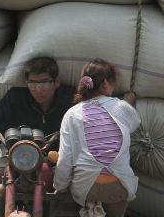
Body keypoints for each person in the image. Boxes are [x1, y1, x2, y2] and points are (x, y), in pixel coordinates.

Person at [53, 59, 140, 217]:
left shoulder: (72, 114)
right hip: (118, 185)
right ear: (106, 83)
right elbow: (134, 124)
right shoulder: (122, 107)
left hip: (85, 187)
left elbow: (65, 159)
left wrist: (60, 186)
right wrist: (128, 102)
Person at [0, 56, 74, 192]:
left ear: (56, 82)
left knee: (70, 183)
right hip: (17, 162)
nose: (38, 89)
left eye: (45, 82)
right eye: (32, 82)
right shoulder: (15, 98)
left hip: (55, 165)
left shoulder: (69, 99)